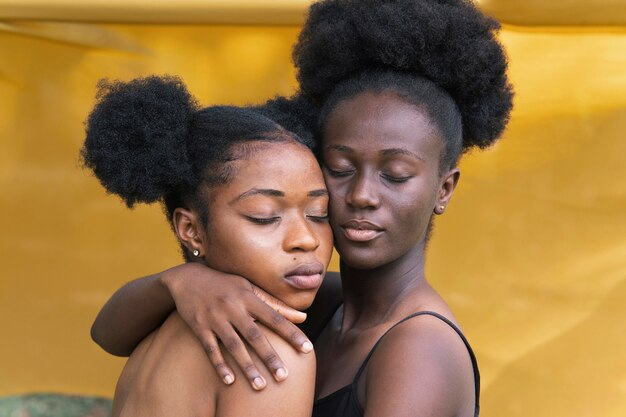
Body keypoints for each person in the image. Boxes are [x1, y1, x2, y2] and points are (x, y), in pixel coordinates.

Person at [91, 1, 514, 416]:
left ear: (444, 189)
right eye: (340, 169)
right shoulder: (318, 297)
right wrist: (182, 282)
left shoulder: (421, 349)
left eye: (396, 174)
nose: (362, 194)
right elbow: (108, 334)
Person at [82, 75, 334, 417]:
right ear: (192, 230)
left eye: (320, 213)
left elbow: (104, 333)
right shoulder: (267, 354)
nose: (306, 239)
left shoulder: (155, 329)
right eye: (264, 216)